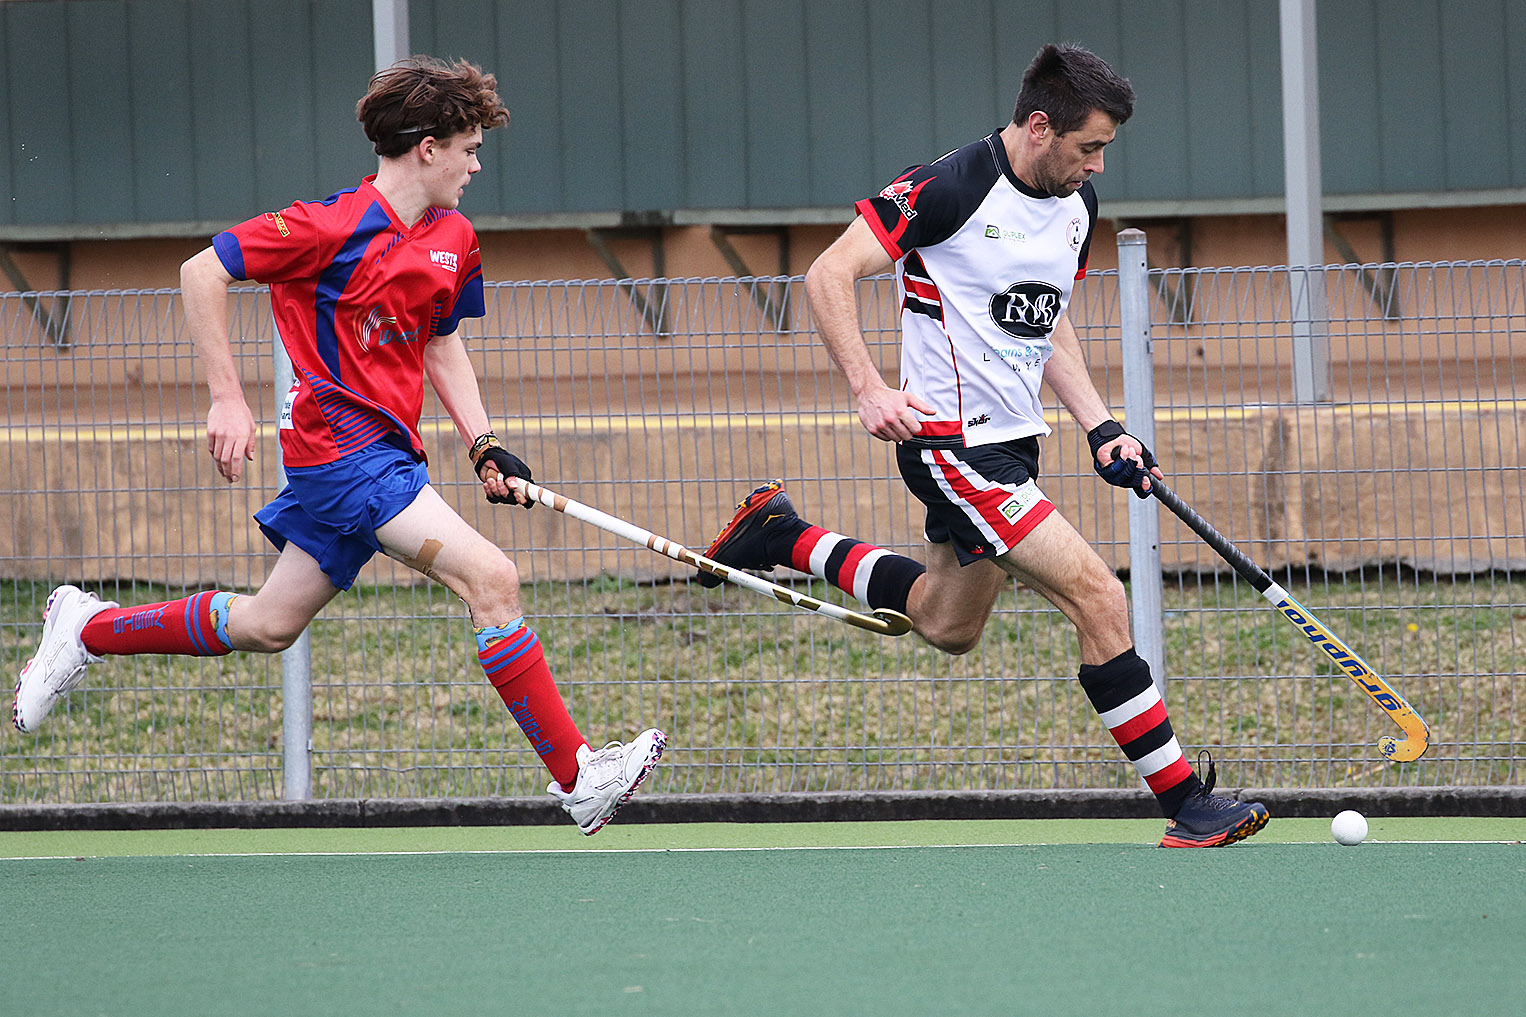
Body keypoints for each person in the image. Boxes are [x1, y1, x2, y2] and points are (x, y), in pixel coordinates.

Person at [13, 56, 664, 835]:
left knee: (266, 624)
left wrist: (483, 442)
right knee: (493, 577)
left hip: (388, 457)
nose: (476, 163)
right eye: (467, 146)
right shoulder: (327, 226)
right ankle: (579, 776)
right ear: (427, 147)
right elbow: (200, 273)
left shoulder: (455, 238)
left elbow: (441, 342)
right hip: (341, 458)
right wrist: (227, 396)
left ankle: (84, 627)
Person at [698, 43, 1266, 847]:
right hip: (951, 446)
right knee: (1100, 597)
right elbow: (827, 275)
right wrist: (869, 387)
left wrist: (1101, 425)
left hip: (1013, 444)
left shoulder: (1075, 207)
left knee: (947, 623)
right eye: (1089, 147)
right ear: (1040, 126)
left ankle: (782, 533)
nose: (1098, 166)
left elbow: (1046, 316)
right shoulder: (948, 187)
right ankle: (1185, 804)